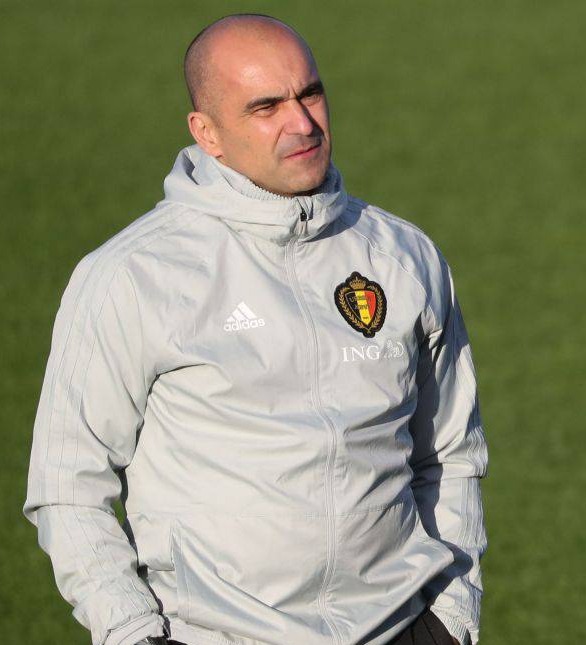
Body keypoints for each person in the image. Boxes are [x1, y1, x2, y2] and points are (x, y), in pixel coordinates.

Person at [24, 14, 486, 645]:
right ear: (207, 133)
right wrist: (131, 632)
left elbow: (451, 453)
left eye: (310, 94)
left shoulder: (404, 257)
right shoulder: (132, 275)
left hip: (405, 628)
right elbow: (67, 488)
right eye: (265, 107)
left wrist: (453, 615)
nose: (302, 124)